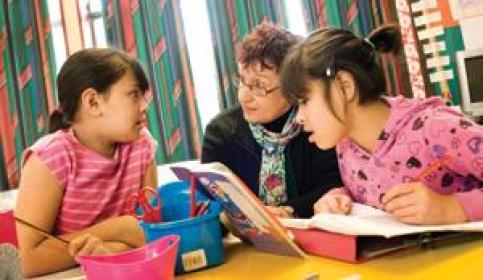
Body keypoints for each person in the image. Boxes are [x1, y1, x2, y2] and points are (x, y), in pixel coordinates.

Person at [280, 24, 483, 225]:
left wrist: (453, 207)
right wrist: (338, 199)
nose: (299, 117)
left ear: (344, 86)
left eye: (304, 101)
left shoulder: (436, 127)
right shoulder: (346, 147)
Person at [15, 48, 157, 277]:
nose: (144, 105)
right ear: (93, 102)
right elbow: (29, 260)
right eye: (134, 94)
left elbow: (150, 236)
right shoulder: (50, 158)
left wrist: (109, 250)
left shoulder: (142, 146)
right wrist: (117, 229)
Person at [202, 23, 342, 218]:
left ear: (291, 88)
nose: (244, 96)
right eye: (242, 81)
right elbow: (208, 203)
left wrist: (288, 211)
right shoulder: (220, 133)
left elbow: (333, 185)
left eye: (259, 86)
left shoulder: (316, 125)